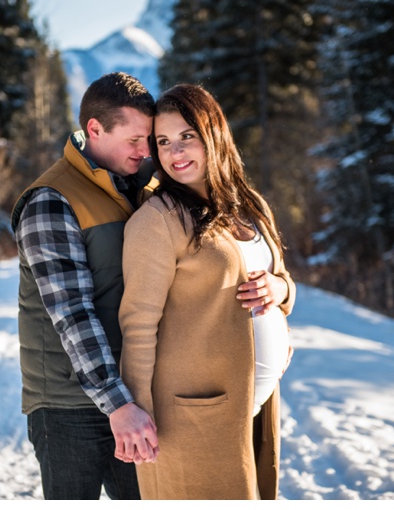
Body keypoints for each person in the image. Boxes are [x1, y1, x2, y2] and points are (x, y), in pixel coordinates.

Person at [118, 84, 297, 499]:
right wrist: (138, 413)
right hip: (193, 417)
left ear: (213, 133)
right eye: (163, 142)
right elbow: (138, 324)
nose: (175, 152)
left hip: (251, 407)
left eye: (187, 136)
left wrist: (280, 288)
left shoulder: (250, 205)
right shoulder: (158, 221)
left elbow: (284, 281)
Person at [10, 72, 160, 500]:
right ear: (94, 129)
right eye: (133, 139)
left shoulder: (141, 186)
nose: (145, 150)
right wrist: (118, 404)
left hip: (133, 393)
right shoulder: (51, 200)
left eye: (148, 139)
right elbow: (72, 311)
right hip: (68, 406)